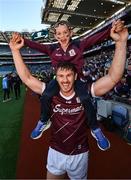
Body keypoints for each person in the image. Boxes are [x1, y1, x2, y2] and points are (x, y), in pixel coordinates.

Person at [9, 22, 128, 177]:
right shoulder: (52, 49)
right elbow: (33, 58)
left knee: (85, 97)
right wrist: (22, 42)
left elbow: (95, 39)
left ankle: (95, 128)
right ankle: (44, 120)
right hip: (56, 84)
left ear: (70, 32)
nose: (62, 36)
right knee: (45, 95)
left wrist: (111, 30)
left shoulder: (78, 44)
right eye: (59, 34)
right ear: (55, 35)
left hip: (78, 81)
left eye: (65, 33)